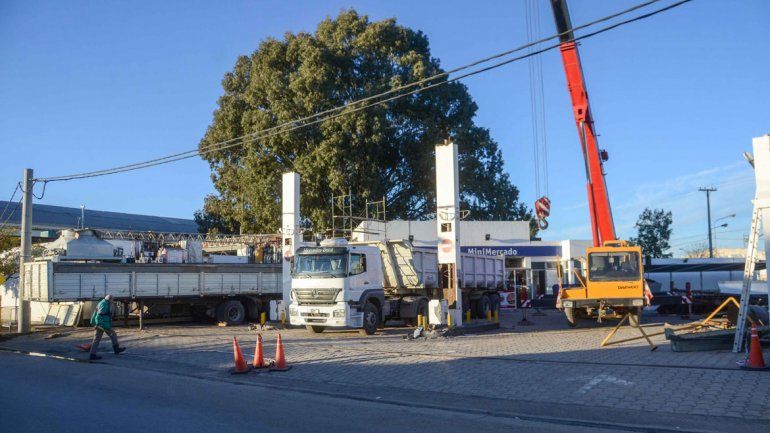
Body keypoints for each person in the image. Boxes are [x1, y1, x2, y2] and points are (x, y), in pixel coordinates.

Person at [88, 294, 126, 360]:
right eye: (112, 299)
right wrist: (100, 325)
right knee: (112, 335)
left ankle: (92, 354)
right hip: (103, 324)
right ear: (110, 299)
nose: (112, 301)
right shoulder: (104, 304)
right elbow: (99, 315)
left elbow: (98, 314)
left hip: (101, 324)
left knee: (98, 339)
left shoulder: (102, 302)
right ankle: (116, 349)